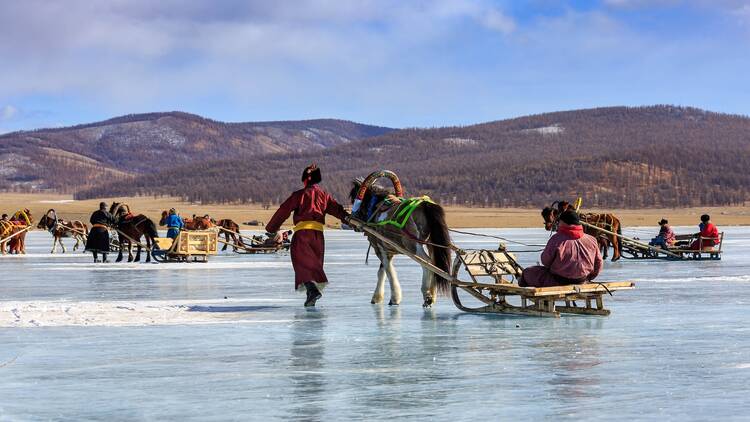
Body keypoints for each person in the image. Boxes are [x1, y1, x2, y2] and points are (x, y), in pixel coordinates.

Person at [265, 164, 350, 307]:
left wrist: (272, 228)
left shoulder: (299, 195)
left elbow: (283, 211)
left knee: (301, 263)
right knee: (313, 265)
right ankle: (310, 297)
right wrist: (349, 220)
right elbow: (338, 210)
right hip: (318, 237)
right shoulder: (325, 196)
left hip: (303, 235)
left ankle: (312, 291)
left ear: (305, 179)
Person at [519, 210, 603, 287]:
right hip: (582, 280)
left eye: (559, 221)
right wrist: (588, 277)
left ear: (563, 222)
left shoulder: (556, 239)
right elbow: (599, 263)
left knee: (527, 272)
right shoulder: (592, 240)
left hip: (558, 281)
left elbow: (545, 261)